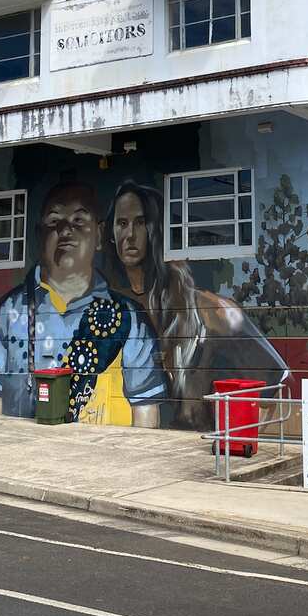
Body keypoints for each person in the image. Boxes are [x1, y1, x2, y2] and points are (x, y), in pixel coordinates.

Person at [0, 182, 166, 427]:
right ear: (39, 234)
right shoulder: (8, 313)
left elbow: (146, 413)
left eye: (79, 221)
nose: (65, 230)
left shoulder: (128, 319)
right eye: (54, 221)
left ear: (99, 235)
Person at [103, 180, 289, 430]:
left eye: (141, 222)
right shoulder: (110, 310)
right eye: (122, 223)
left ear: (158, 229)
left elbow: (276, 389)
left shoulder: (210, 312)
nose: (130, 234)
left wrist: (240, 446)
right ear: (111, 234)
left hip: (191, 455)